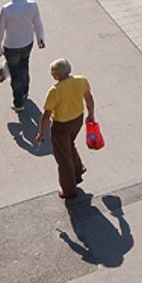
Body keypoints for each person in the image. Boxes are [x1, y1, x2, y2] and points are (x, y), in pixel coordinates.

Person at [33, 58, 95, 200]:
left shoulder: (55, 91)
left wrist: (41, 132)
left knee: (62, 157)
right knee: (69, 144)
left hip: (61, 126)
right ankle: (77, 170)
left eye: (52, 73)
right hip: (78, 119)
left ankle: (69, 189)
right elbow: (89, 98)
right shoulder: (81, 80)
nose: (51, 75)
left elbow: (46, 115)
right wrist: (91, 114)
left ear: (57, 75)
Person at [0, 0, 47, 112]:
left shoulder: (6, 9)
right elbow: (37, 23)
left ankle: (18, 102)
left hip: (11, 45)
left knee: (15, 73)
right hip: (27, 42)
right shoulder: (32, 5)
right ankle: (24, 92)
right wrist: (40, 38)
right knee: (24, 66)